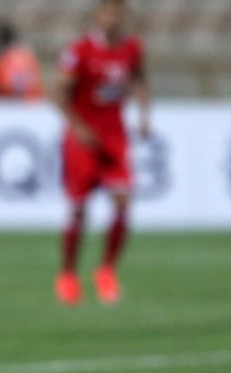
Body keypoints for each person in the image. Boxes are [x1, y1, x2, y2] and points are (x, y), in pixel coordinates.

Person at [52, 0, 150, 306]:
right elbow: (57, 92)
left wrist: (145, 114)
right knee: (79, 210)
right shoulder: (80, 50)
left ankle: (106, 270)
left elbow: (140, 80)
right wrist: (78, 128)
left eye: (119, 12)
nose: (113, 17)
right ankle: (68, 274)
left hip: (115, 137)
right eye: (108, 11)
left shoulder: (132, 48)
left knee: (123, 202)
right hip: (83, 139)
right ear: (99, 14)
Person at [0, 21, 44, 100]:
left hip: (12, 104)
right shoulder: (27, 55)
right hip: (31, 103)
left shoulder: (4, 60)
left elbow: (3, 84)